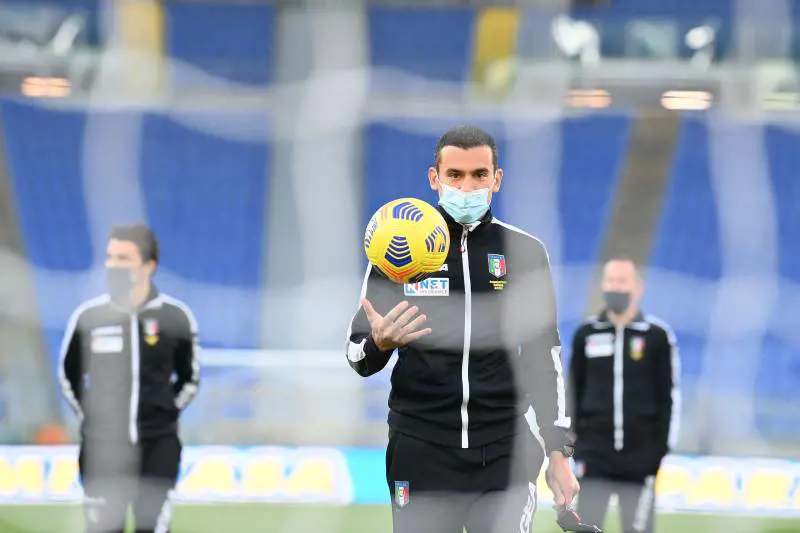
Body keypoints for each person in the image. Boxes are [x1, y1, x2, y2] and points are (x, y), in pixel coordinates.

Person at [345, 125, 581, 533]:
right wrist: (379, 344)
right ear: (434, 178)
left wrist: (558, 451)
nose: (467, 187)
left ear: (497, 179)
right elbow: (356, 354)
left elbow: (545, 357)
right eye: (455, 175)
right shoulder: (396, 246)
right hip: (420, 451)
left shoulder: (525, 253)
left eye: (479, 175)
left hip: (504, 451)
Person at [59, 224, 200, 533]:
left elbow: (190, 378)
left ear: (149, 266)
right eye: (110, 257)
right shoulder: (89, 317)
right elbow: (68, 376)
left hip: (157, 449)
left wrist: (164, 410)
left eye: (124, 258)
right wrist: (93, 415)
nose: (114, 266)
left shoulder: (175, 318)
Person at [568, 257, 681, 533]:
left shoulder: (657, 336)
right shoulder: (586, 334)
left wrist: (659, 451)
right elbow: (571, 392)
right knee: (587, 528)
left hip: (640, 458)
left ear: (638, 288)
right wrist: (573, 445)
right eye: (610, 281)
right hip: (593, 456)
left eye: (622, 281)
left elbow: (669, 395)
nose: (615, 287)